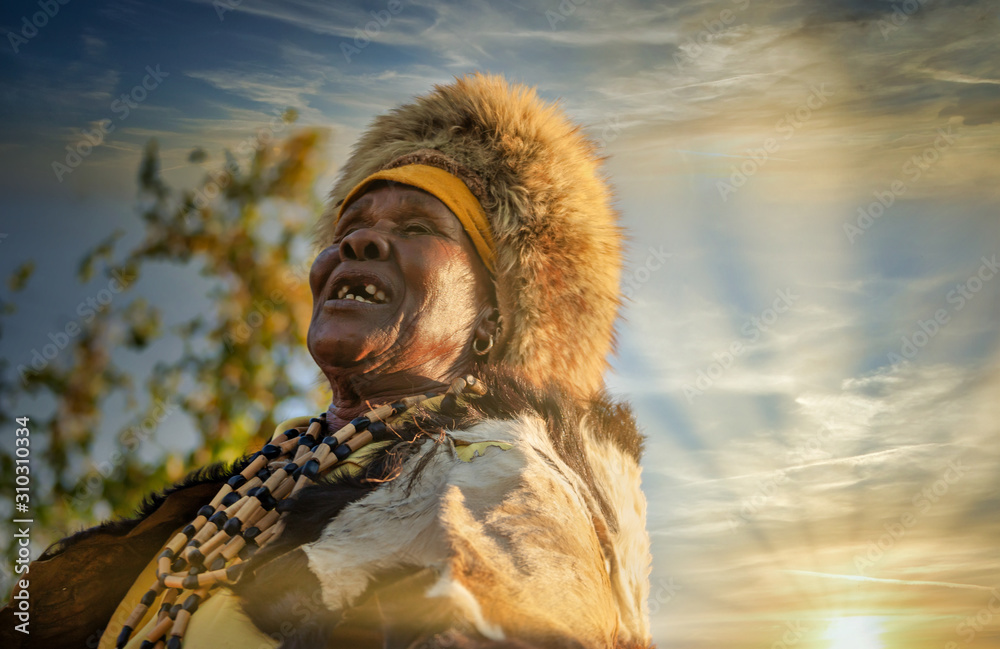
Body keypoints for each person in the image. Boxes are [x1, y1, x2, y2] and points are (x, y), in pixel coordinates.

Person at [1, 72, 651, 649]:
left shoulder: (519, 496)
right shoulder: (229, 503)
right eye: (346, 231)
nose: (361, 240)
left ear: (494, 321)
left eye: (419, 226)